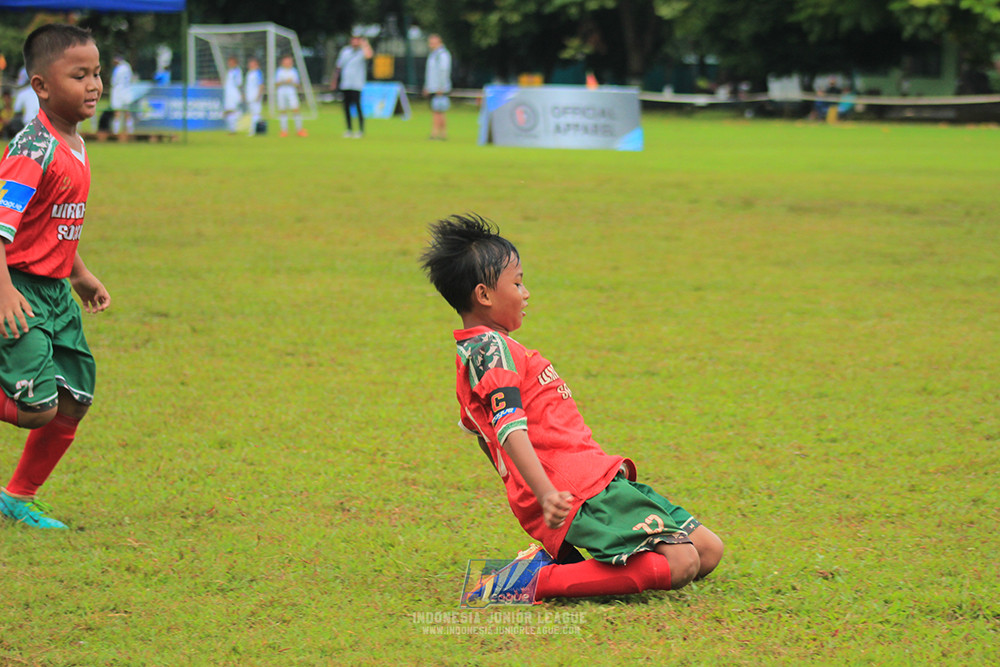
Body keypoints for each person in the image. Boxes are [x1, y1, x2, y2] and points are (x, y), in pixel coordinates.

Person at [420, 215, 723, 602]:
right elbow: (507, 430)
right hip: (576, 491)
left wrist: (522, 486)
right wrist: (544, 494)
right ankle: (520, 582)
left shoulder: (485, 352)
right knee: (681, 563)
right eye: (517, 283)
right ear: (483, 295)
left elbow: (484, 436)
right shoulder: (490, 350)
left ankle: (557, 566)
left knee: (708, 551)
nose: (526, 293)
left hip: (597, 478)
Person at [0, 23, 111, 529]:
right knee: (36, 408)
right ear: (41, 86)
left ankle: (17, 497)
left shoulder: (76, 143)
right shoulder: (32, 149)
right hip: (16, 286)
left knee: (73, 398)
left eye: (97, 73)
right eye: (79, 75)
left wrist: (80, 274)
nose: (94, 85)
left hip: (55, 291)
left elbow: (54, 224)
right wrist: (4, 294)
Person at [334, 34, 372, 138]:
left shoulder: (361, 52)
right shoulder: (345, 51)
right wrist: (334, 80)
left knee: (358, 106)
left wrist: (364, 44)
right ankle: (349, 129)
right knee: (346, 107)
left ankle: (360, 130)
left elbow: (369, 55)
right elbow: (339, 66)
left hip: (357, 83)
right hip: (346, 83)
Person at [423, 33, 452, 141]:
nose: (430, 45)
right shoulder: (434, 55)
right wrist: (427, 86)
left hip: (439, 88)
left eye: (433, 42)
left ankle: (438, 133)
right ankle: (438, 133)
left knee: (439, 111)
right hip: (433, 87)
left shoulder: (442, 55)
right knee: (436, 110)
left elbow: (443, 71)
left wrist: (441, 87)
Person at [275, 54, 306, 137]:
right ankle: (284, 130)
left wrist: (291, 82)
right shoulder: (279, 71)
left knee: (295, 109)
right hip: (281, 92)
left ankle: (299, 129)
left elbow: (297, 83)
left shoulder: (293, 71)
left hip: (291, 91)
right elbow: (276, 83)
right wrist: (284, 81)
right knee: (283, 110)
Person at [109, 53, 133, 137]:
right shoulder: (127, 67)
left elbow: (114, 81)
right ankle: (130, 131)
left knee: (117, 112)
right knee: (127, 112)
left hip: (118, 91)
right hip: (126, 90)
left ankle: (116, 132)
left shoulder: (118, 69)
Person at [244, 57, 264, 136]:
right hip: (249, 96)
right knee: (253, 113)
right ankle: (259, 129)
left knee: (256, 114)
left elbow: (261, 85)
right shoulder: (249, 73)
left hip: (255, 96)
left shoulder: (258, 73)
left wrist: (258, 95)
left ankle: (253, 131)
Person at [223, 56, 243, 134]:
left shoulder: (237, 71)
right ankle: (231, 129)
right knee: (228, 111)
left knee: (231, 111)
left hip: (233, 94)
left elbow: (239, 83)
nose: (230, 63)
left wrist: (240, 94)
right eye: (229, 62)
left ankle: (233, 130)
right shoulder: (230, 71)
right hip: (228, 94)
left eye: (232, 62)